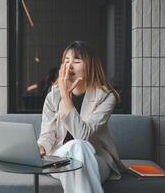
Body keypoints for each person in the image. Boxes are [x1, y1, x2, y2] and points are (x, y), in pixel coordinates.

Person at [37, 41, 126, 193]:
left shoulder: (105, 96)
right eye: (66, 60)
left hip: (96, 157)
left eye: (76, 61)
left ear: (90, 66)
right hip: (59, 156)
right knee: (73, 153)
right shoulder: (53, 96)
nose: (69, 65)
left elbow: (83, 136)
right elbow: (47, 134)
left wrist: (66, 96)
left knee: (78, 146)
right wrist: (39, 148)